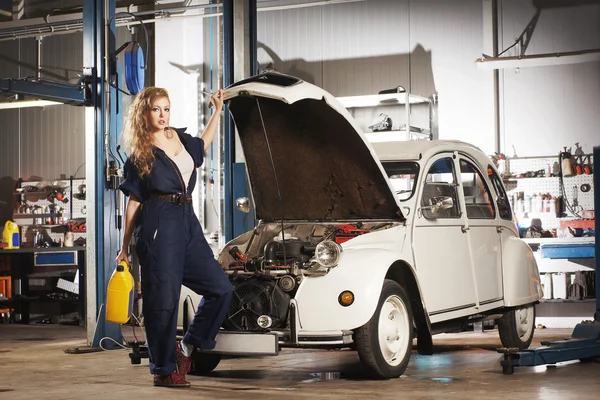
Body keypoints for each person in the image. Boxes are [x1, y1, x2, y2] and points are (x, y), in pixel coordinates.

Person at [116, 86, 232, 388]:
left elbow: (203, 144)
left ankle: (185, 349)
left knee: (220, 288)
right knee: (162, 303)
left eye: (166, 108)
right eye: (156, 109)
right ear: (145, 113)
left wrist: (217, 110)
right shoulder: (140, 153)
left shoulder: (179, 138)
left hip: (187, 221)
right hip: (158, 222)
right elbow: (134, 202)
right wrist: (124, 247)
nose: (162, 115)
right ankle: (164, 370)